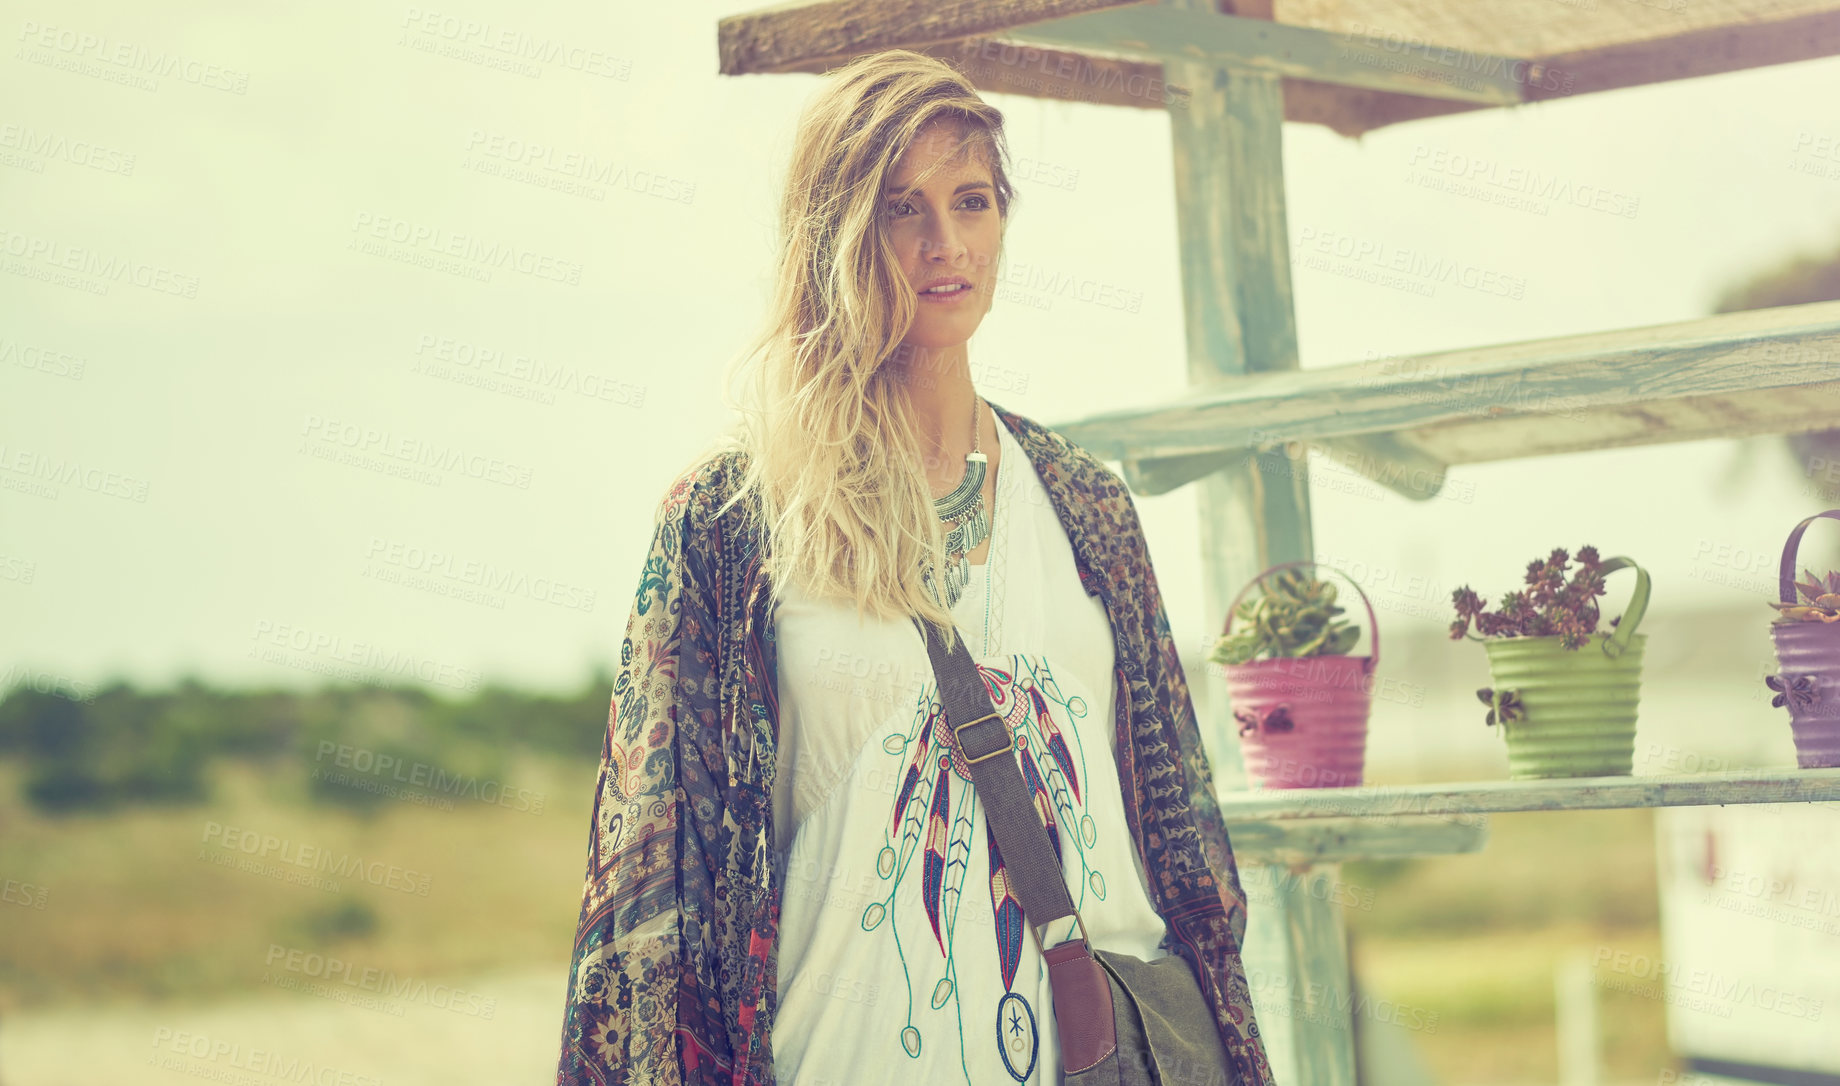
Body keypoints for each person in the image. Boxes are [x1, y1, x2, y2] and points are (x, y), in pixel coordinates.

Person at [554, 49, 1274, 1086]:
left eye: (970, 202)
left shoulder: (1084, 505)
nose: (945, 244)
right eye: (902, 209)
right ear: (834, 234)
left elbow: (1184, 851)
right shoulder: (731, 525)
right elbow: (646, 905)